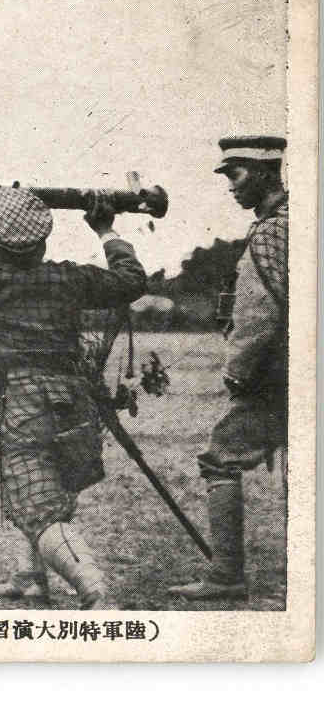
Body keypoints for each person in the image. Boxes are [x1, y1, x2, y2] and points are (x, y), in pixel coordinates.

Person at [0, 188, 146, 609]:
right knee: (40, 488)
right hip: (72, 398)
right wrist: (106, 230)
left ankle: (96, 592)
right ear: (41, 242)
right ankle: (31, 577)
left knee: (38, 504)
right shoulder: (69, 278)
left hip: (17, 401)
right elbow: (131, 281)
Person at [169, 136, 288, 601]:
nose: (231, 186)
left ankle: (225, 575)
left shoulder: (270, 232)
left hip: (275, 376)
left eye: (236, 174)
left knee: (220, 458)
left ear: (264, 172)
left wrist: (237, 371)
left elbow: (259, 315)